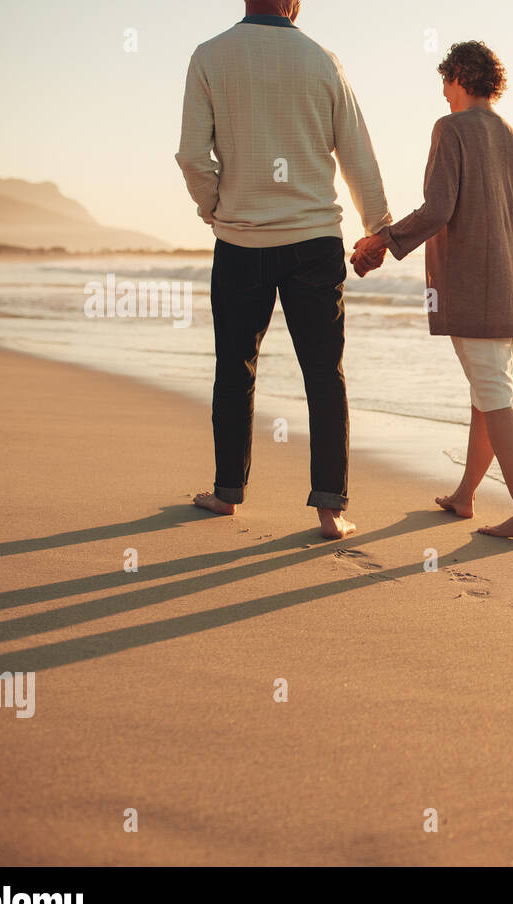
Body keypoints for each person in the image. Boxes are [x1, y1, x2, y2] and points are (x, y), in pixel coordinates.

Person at [174, 0, 391, 539]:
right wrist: (377, 228)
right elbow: (356, 152)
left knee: (235, 365)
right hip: (314, 240)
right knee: (323, 370)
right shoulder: (322, 59)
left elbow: (192, 157)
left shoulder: (209, 56)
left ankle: (227, 493)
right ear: (294, 2)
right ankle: (330, 509)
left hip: (241, 240)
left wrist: (215, 209)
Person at [352, 41, 513, 540]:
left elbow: (438, 208)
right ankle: (464, 496)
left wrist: (381, 241)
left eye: (445, 80)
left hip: (476, 284)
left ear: (460, 75)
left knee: (494, 397)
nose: (443, 93)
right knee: (487, 394)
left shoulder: (452, 129)